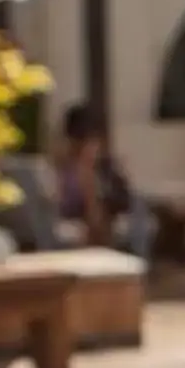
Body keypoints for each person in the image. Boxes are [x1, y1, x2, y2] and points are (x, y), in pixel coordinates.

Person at [52, 103, 155, 259]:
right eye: (92, 142)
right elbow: (79, 205)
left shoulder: (105, 166)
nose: (96, 147)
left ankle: (136, 263)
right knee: (111, 217)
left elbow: (123, 193)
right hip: (83, 217)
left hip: (108, 213)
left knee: (138, 205)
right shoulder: (66, 168)